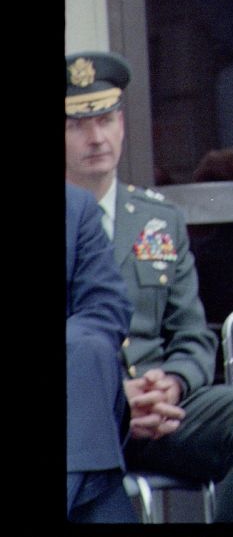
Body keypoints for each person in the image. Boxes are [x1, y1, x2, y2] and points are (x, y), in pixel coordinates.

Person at [64, 51, 233, 523]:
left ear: (122, 124)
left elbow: (193, 337)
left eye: (107, 118)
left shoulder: (160, 219)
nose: (97, 137)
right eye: (77, 124)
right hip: (82, 420)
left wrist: (172, 383)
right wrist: (116, 399)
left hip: (160, 413)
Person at [67, 182, 137, 524]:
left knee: (86, 349)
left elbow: (107, 306)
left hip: (78, 389)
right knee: (98, 484)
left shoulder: (75, 206)